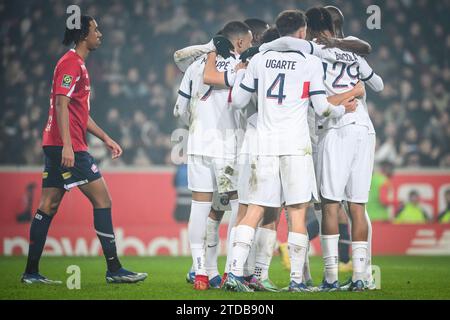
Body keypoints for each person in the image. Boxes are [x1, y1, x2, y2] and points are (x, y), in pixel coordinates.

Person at [225, 9, 356, 292]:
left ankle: (234, 273)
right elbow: (321, 108)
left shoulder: (259, 59)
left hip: (265, 143)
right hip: (296, 146)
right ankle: (297, 280)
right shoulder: (310, 62)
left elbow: (237, 102)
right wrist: (341, 109)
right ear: (302, 31)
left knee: (255, 209)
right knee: (298, 213)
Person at [21, 16, 147, 284]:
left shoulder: (78, 64)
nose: (100, 34)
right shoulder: (70, 63)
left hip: (58, 144)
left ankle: (31, 273)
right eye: (95, 30)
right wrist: (67, 144)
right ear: (82, 36)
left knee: (48, 205)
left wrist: (106, 138)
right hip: (70, 147)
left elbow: (80, 113)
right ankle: (114, 269)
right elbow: (60, 104)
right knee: (103, 201)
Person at [174, 21, 252, 290]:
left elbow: (178, 110)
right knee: (237, 207)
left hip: (197, 144)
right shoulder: (241, 67)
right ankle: (233, 271)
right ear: (240, 43)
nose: (250, 47)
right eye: (249, 42)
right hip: (228, 147)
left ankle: (201, 272)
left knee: (200, 208)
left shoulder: (196, 66)